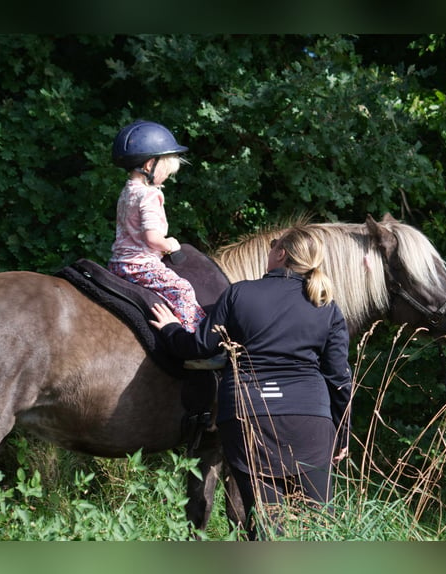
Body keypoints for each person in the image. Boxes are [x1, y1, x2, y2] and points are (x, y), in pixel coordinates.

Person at [150, 225, 352, 539]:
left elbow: (199, 348)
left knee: (268, 527)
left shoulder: (239, 293)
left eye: (273, 247)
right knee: (321, 526)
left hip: (248, 417)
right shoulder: (326, 307)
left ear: (281, 253)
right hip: (310, 424)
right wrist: (341, 435)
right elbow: (339, 379)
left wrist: (171, 329)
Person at [108, 119, 205, 333]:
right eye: (166, 172)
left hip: (118, 263)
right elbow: (151, 238)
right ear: (150, 165)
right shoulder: (150, 194)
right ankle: (193, 344)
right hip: (141, 265)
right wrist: (170, 244)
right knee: (183, 290)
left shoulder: (127, 191)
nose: (166, 178)